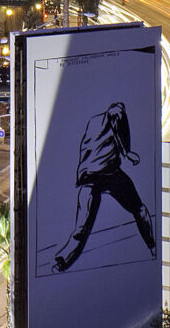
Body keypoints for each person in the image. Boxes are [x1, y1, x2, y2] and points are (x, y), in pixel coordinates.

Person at [54, 100, 157, 271]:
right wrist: (127, 153)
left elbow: (90, 146)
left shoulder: (94, 121)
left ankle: (63, 261)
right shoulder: (115, 119)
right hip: (104, 175)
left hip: (94, 175)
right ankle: (153, 246)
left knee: (83, 226)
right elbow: (119, 133)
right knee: (138, 210)